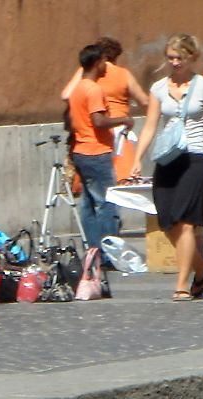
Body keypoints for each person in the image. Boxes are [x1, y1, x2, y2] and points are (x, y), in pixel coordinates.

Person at [130, 34, 203, 301]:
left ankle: (181, 285)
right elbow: (151, 126)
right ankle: (201, 266)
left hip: (196, 157)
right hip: (167, 159)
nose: (175, 63)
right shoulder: (158, 88)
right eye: (170, 58)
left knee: (186, 221)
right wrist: (136, 158)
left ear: (192, 57)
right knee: (167, 220)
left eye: (180, 58)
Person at [68, 45, 135, 252]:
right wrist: (124, 119)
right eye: (104, 62)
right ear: (97, 63)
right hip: (96, 152)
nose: (106, 66)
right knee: (107, 203)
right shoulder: (94, 89)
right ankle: (109, 252)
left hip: (81, 151)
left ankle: (93, 249)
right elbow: (98, 120)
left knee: (88, 204)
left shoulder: (78, 88)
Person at [61, 37, 149, 184]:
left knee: (93, 188)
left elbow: (66, 95)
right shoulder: (123, 74)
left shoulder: (86, 73)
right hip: (118, 131)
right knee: (122, 185)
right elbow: (144, 101)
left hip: (90, 135)